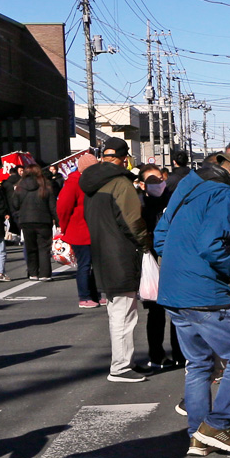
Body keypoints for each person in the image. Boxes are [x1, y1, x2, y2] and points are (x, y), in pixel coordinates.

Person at [156, 140, 230, 456]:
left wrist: (180, 262)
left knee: (199, 364)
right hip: (205, 293)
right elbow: (212, 244)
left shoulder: (189, 184)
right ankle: (217, 426)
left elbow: (161, 236)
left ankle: (197, 435)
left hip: (174, 290)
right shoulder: (225, 194)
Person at [81, 138, 149, 382]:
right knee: (124, 313)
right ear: (124, 158)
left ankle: (125, 361)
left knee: (117, 310)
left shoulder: (90, 183)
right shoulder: (120, 183)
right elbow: (133, 222)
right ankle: (120, 366)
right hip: (121, 253)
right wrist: (146, 244)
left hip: (101, 252)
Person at [138, 164, 185, 374]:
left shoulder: (173, 201)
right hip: (151, 261)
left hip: (173, 259)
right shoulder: (139, 205)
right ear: (142, 184)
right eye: (151, 180)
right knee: (155, 311)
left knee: (178, 309)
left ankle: (180, 353)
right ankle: (156, 355)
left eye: (160, 178)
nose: (157, 183)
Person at [57, 152, 101, 308]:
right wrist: (63, 227)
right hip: (79, 230)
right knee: (85, 264)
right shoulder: (74, 182)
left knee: (96, 264)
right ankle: (85, 296)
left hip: (93, 229)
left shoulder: (93, 181)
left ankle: (96, 295)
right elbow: (63, 207)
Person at [10, 163, 58, 282]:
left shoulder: (20, 186)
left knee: (31, 247)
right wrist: (58, 222)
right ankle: (45, 273)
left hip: (26, 220)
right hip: (43, 220)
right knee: (44, 247)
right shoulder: (45, 185)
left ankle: (33, 273)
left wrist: (19, 215)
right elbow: (53, 206)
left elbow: (15, 204)